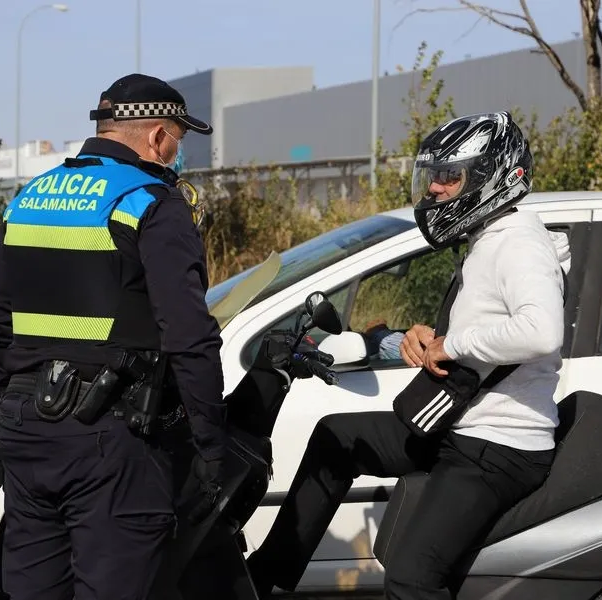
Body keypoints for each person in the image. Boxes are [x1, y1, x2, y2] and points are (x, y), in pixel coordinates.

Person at [245, 112, 571, 600]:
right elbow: (488, 327)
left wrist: (452, 345)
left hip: (498, 447)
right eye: (433, 176)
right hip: (461, 428)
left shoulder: (518, 242)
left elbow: (541, 332)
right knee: (338, 439)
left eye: (450, 176)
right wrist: (425, 337)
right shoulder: (490, 237)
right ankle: (260, 580)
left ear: (493, 176)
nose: (435, 188)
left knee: (411, 578)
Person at [0, 73, 227, 600]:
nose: (178, 152)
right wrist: (210, 443)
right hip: (111, 441)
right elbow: (188, 334)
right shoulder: (149, 201)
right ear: (158, 136)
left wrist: (1, 414)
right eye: (179, 138)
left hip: (25, 433)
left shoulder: (29, 198)